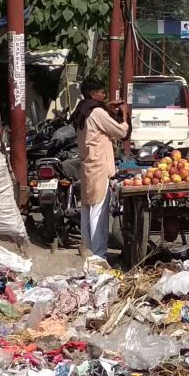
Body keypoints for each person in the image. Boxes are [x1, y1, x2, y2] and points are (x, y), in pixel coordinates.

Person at [74, 80, 129, 263]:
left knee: (87, 210)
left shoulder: (82, 110)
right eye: (101, 93)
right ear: (92, 94)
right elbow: (121, 132)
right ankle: (98, 254)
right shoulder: (96, 112)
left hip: (88, 165)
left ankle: (88, 250)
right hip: (99, 166)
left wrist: (106, 108)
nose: (104, 96)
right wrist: (125, 116)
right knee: (98, 210)